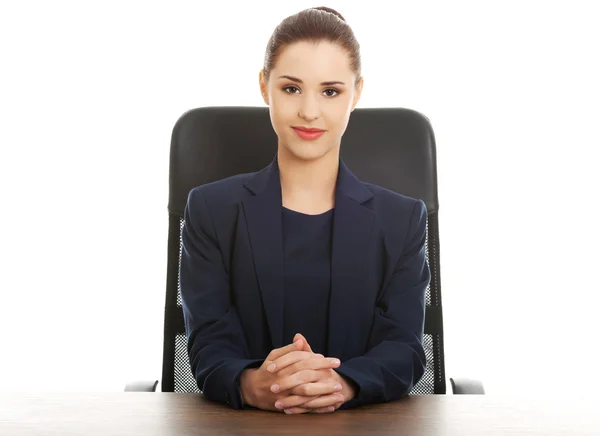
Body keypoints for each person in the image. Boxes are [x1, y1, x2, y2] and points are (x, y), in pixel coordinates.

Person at [179, 6, 430, 414]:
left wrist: (341, 383)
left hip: (361, 426)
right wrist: (251, 384)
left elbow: (404, 348)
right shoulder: (211, 210)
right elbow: (208, 341)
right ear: (265, 87)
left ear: (356, 93)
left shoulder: (401, 220)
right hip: (245, 427)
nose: (310, 111)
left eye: (330, 91)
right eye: (291, 88)